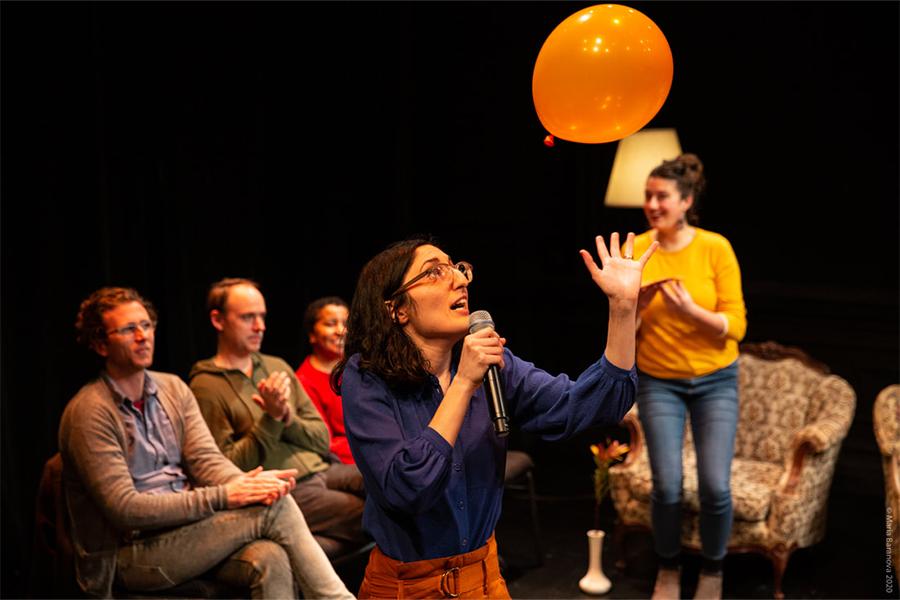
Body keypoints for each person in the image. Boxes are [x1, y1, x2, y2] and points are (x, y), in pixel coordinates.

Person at [334, 233, 657, 598]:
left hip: (483, 580)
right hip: (404, 587)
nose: (459, 278)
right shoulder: (367, 377)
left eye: (457, 268)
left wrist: (623, 308)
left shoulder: (495, 366)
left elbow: (592, 406)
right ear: (397, 309)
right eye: (435, 272)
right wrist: (464, 384)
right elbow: (408, 489)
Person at [59, 287, 353, 599]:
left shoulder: (172, 388)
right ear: (101, 344)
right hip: (130, 552)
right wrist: (228, 494)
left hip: (189, 529)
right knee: (275, 508)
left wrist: (248, 484)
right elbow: (125, 509)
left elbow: (207, 461)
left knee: (270, 556)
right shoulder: (89, 412)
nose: (143, 336)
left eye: (146, 326)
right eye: (129, 329)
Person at [632, 154, 747, 600]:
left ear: (686, 202)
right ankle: (668, 568)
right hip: (659, 382)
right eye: (648, 196)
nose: (653, 204)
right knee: (667, 485)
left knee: (716, 486)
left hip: (716, 380)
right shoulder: (636, 249)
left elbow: (736, 325)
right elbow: (621, 332)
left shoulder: (715, 247)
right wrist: (634, 309)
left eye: (662, 196)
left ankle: (713, 571)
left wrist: (690, 312)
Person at [189, 278, 367, 548]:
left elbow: (321, 439)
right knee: (374, 514)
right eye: (248, 317)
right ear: (218, 320)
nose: (260, 326)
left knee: (390, 481)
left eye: (261, 316)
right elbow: (227, 468)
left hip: (324, 469)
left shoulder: (276, 366)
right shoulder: (206, 385)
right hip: (288, 486)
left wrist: (286, 417)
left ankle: (307, 542)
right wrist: (270, 419)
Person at [296, 296, 354, 464]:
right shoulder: (304, 380)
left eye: (345, 323)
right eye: (330, 324)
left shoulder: (361, 368)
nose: (340, 330)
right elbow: (325, 442)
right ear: (312, 335)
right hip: (345, 463)